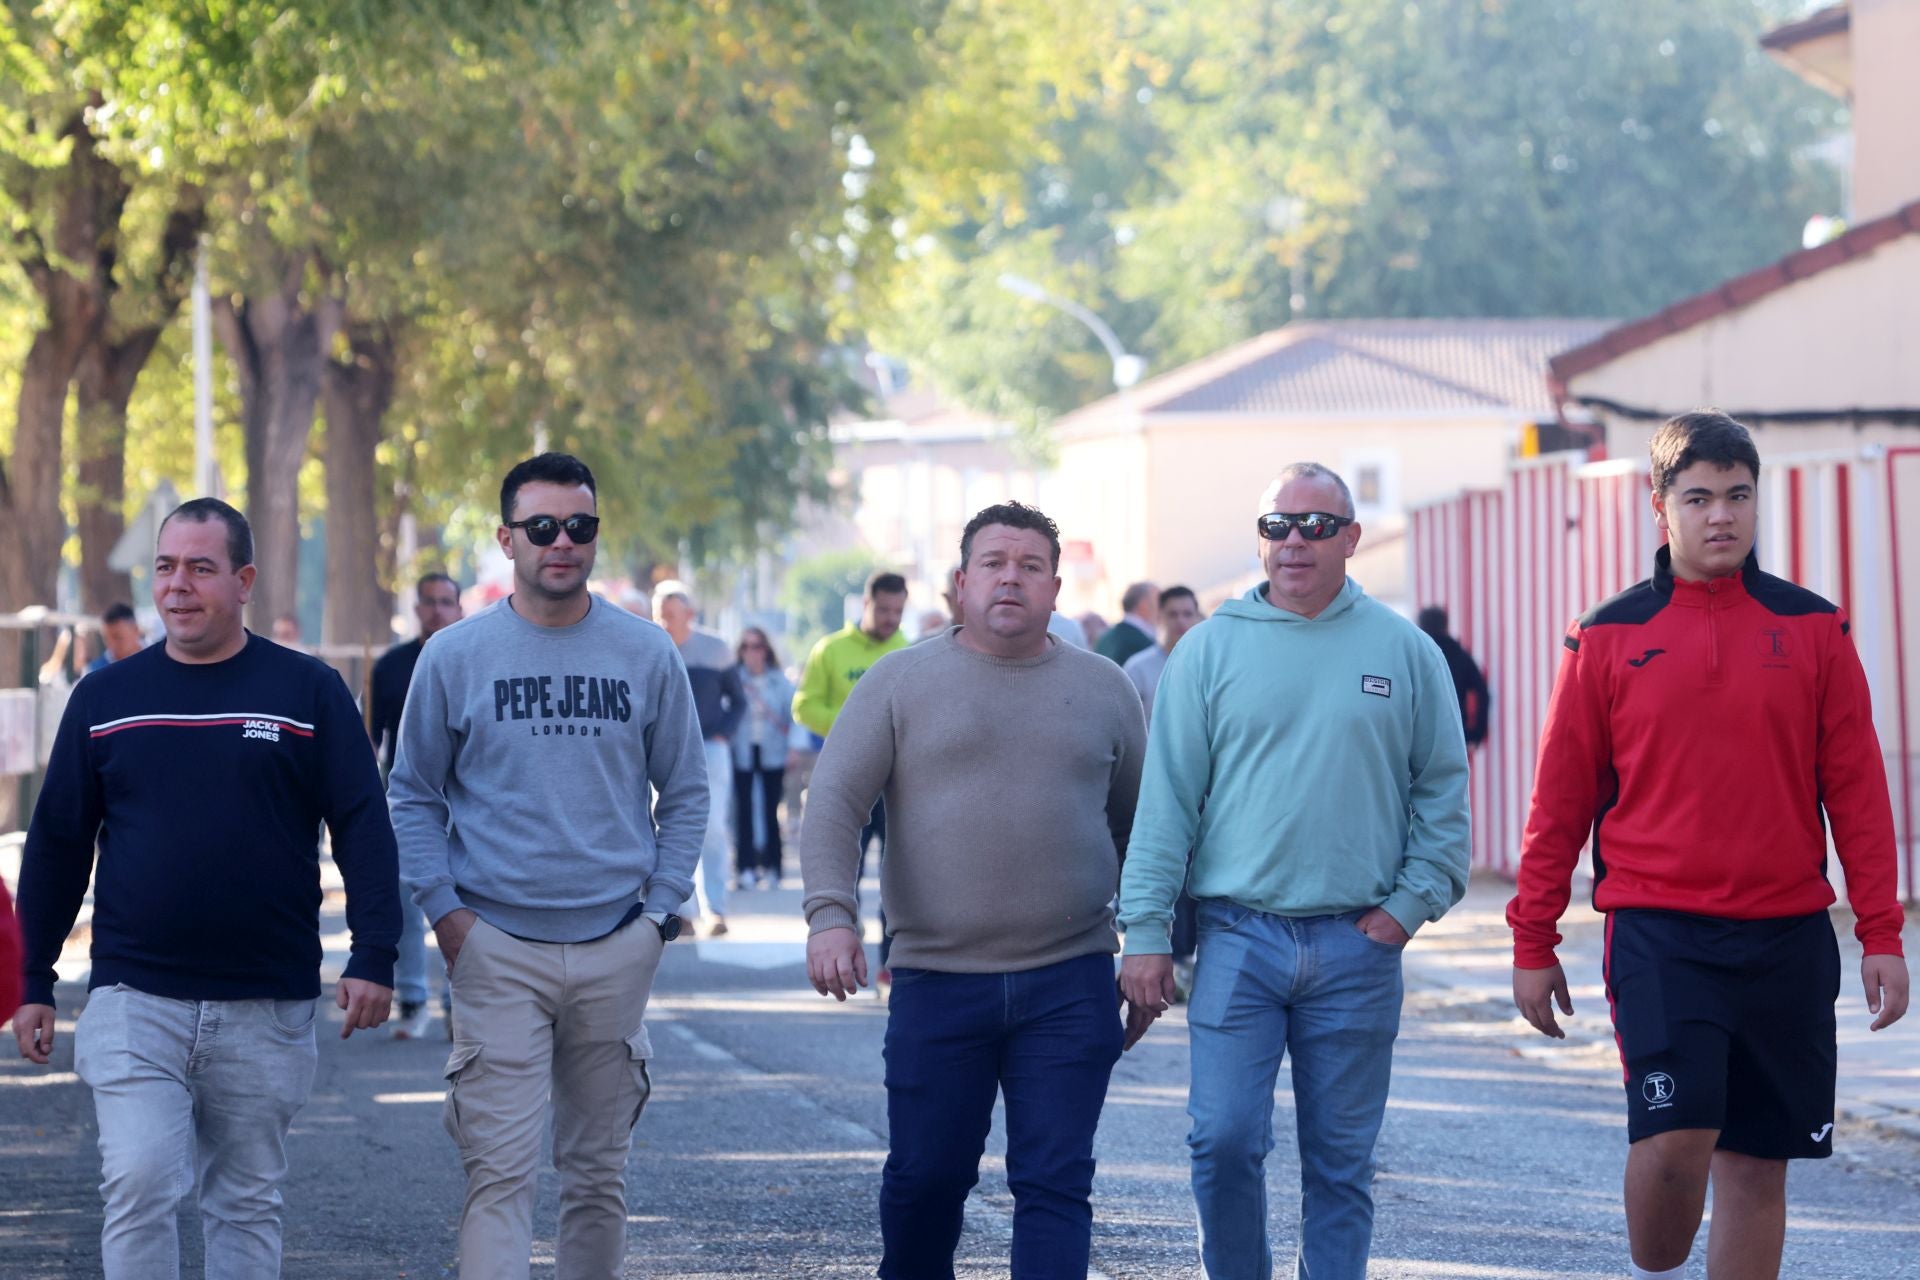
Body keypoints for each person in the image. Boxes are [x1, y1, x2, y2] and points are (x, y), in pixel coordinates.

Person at [1507, 411, 1909, 1280]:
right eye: (1699, 497)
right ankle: (1656, 1262)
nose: (1721, 514)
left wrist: (1882, 932)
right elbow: (1559, 801)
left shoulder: (1815, 630)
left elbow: (1859, 794)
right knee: (1675, 1145)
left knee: (1759, 1167)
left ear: (1756, 500)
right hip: (1661, 935)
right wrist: (1532, 940)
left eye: (1737, 495)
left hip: (1788, 939)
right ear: (1661, 507)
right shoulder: (1606, 636)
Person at [11, 497, 400, 1278]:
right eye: (164, 567)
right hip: (134, 997)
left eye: (200, 567)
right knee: (140, 1180)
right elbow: (57, 845)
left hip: (267, 1002)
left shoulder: (309, 692)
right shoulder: (104, 699)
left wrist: (375, 953)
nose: (177, 586)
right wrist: (33, 979)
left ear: (244, 579)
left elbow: (362, 822)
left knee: (246, 1200)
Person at [1117, 462, 1471, 1280]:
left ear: (1351, 539)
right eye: (1279, 526)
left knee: (1342, 1165)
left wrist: (1409, 905)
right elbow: (1166, 804)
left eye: (1317, 526)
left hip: (1359, 944)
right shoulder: (1208, 651)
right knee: (1223, 1138)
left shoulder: (1405, 652)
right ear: (1261, 539)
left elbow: (1443, 796)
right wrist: (1143, 931)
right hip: (1241, 936)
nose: (1295, 543)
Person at [802, 500, 1148, 1278]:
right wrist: (830, 917)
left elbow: (1138, 832)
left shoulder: (1106, 690)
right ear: (961, 583)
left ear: (1057, 588)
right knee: (926, 1179)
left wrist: (1150, 941)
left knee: (1055, 1183)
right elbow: (834, 804)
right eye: (994, 563)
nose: (1010, 579)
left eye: (1030, 567)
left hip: (1069, 980)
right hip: (936, 980)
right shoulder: (900, 681)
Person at [388, 452, 707, 1280]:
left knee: (598, 1178)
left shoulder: (645, 652)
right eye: (541, 527)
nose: (561, 542)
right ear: (506, 539)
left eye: (580, 526)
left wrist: (658, 916)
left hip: (616, 944)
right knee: (498, 1176)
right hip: (495, 948)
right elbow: (412, 792)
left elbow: (687, 791)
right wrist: (446, 917)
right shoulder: (454, 656)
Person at [793, 570, 910, 964]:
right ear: (866, 604)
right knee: (847, 872)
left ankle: (890, 965)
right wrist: (854, 730)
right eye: (884, 609)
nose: (891, 618)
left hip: (896, 785)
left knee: (898, 878)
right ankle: (846, 941)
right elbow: (803, 705)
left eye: (898, 610)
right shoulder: (831, 649)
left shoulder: (907, 651)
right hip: (845, 779)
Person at [369, 572, 466, 1040]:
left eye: (446, 602)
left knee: (464, 900)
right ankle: (411, 1002)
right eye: (428, 602)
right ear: (416, 608)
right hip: (406, 801)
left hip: (465, 801)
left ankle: (458, 1001)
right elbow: (370, 741)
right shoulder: (388, 666)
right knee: (407, 905)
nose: (436, 610)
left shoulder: (474, 658)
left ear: (460, 608)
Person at [654, 579, 746, 935]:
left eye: (671, 616)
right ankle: (684, 913)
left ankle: (715, 909)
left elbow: (738, 701)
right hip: (664, 749)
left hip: (710, 748)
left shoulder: (715, 649)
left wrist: (723, 731)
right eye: (659, 615)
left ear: (689, 615)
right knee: (668, 826)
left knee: (712, 828)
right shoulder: (652, 646)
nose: (664, 623)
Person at [731, 627, 795, 889]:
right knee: (743, 811)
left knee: (771, 811)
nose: (751, 652)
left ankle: (774, 867)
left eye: (756, 646)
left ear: (765, 649)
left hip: (773, 750)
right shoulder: (734, 679)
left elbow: (793, 717)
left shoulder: (780, 681)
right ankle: (744, 867)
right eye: (746, 647)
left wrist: (792, 748)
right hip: (742, 750)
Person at [1120, 585, 1201, 727]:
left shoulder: (1211, 665)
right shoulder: (1137, 668)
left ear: (1197, 617)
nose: (1180, 621)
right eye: (1173, 614)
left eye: (1187, 614)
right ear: (1160, 616)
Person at [1416, 606, 1490, 749]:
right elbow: (1482, 692)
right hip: (1454, 732)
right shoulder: (1460, 656)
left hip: (1419, 735)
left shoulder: (1416, 656)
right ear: (1445, 625)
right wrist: (1476, 732)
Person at [1094, 580, 1159, 666]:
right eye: (1160, 600)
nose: (1163, 607)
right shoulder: (1141, 643)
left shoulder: (1104, 637)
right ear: (1144, 604)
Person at [84, 602, 145, 674]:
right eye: (106, 638)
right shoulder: (93, 672)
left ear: (135, 629)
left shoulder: (157, 658)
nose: (111, 644)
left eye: (118, 637)